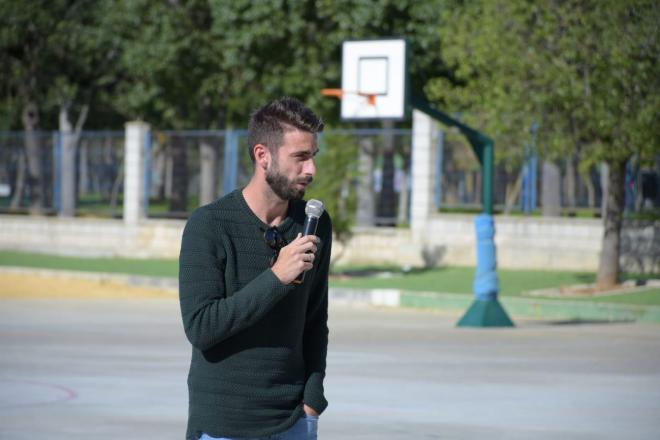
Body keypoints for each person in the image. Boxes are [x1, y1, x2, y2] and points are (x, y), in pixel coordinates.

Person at [179, 97, 331, 440]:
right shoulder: (209, 225)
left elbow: (315, 320)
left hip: (293, 422)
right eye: (300, 158)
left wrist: (312, 402)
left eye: (312, 157)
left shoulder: (314, 223)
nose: (311, 170)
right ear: (263, 156)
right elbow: (201, 327)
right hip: (223, 426)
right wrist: (277, 277)